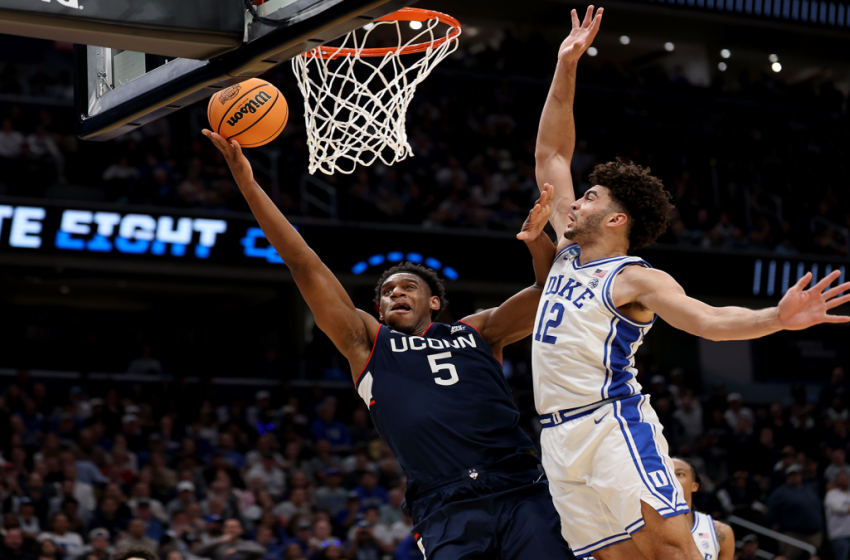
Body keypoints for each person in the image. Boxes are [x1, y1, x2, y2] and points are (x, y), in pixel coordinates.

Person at [531, 6, 850, 560]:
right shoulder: (566, 248)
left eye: (590, 198)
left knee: (671, 551)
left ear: (615, 220)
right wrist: (566, 65)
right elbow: (552, 153)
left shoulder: (632, 278)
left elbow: (708, 320)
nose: (574, 199)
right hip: (555, 436)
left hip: (610, 423)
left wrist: (777, 317)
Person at [203, 126, 573, 560]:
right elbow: (304, 264)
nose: (396, 292)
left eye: (408, 287)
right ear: (378, 310)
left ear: (434, 302)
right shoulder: (366, 341)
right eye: (387, 291)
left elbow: (555, 289)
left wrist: (537, 242)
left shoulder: (478, 331)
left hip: (520, 487)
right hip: (443, 501)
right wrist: (248, 183)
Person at [672, 458, 734, 560]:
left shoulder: (720, 532)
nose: (671, 478)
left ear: (694, 486)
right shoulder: (642, 528)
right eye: (666, 473)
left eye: (679, 474)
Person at [766, 465, 824, 560]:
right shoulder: (781, 492)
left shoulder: (808, 490)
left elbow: (818, 507)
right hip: (793, 535)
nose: (795, 477)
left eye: (797, 474)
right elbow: (770, 511)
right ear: (788, 477)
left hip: (814, 534)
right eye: (792, 475)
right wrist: (775, 523)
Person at [195, 519, 265, 560]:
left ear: (241, 530)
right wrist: (219, 541)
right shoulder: (217, 545)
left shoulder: (246, 544)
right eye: (228, 527)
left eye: (234, 527)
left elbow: (261, 550)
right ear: (223, 530)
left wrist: (237, 550)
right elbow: (197, 551)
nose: (231, 530)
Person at [825, 471, 850, 560]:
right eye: (841, 478)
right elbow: (840, 509)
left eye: (846, 478)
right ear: (837, 480)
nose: (844, 480)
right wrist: (846, 508)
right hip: (839, 535)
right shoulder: (832, 494)